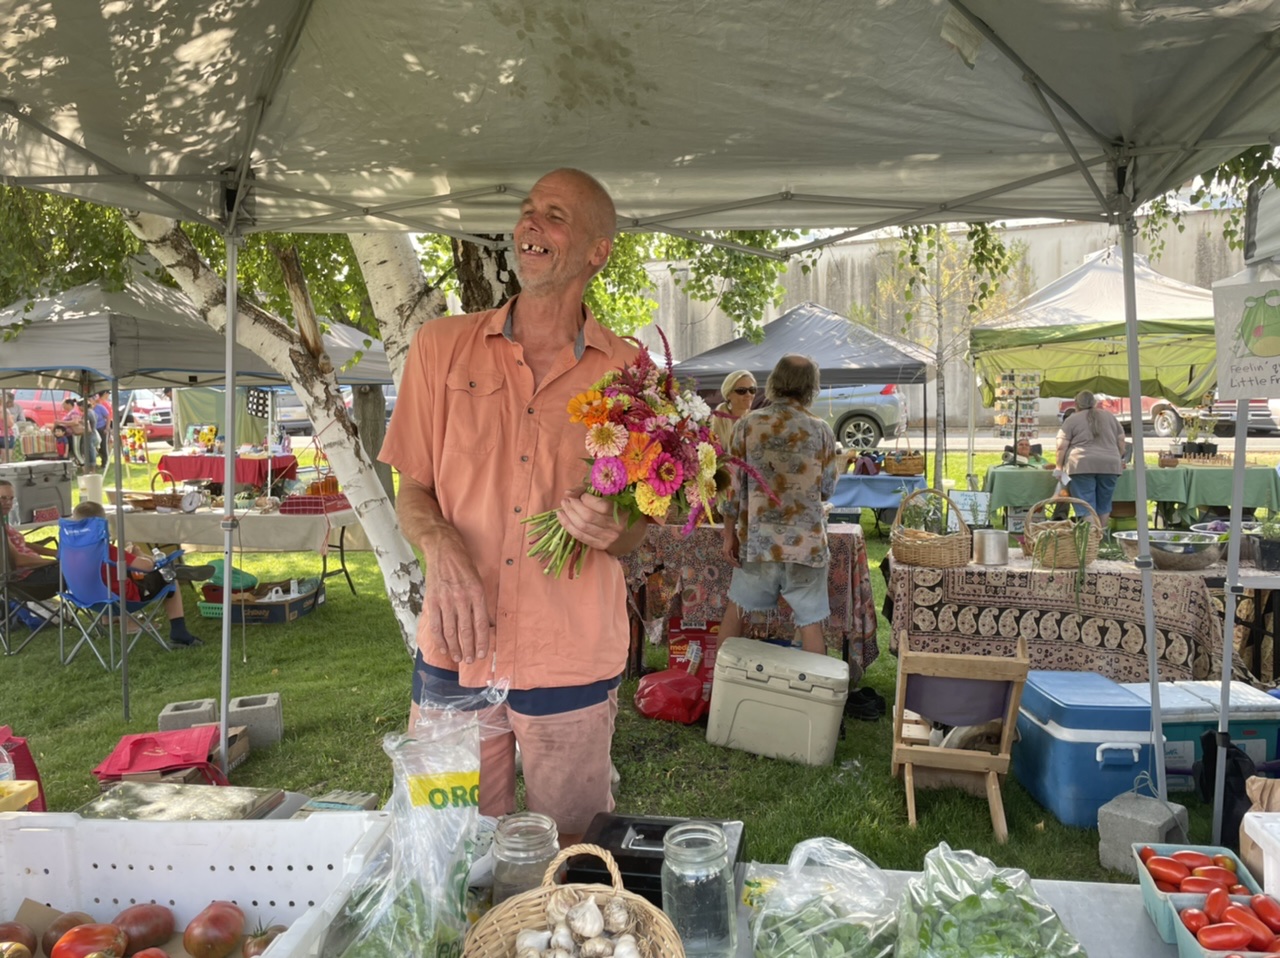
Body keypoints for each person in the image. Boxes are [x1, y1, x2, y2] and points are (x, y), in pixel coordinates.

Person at [380, 168, 647, 845]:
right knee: (447, 852)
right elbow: (412, 486)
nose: (529, 225)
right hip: (456, 647)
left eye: (554, 215)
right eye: (527, 210)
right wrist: (441, 548)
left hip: (569, 655)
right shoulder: (441, 348)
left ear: (596, 251)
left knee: (573, 859)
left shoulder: (631, 373)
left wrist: (613, 528)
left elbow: (640, 528)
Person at [719, 354, 838, 654]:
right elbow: (826, 490)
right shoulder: (821, 429)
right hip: (805, 544)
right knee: (810, 621)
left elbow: (732, 489)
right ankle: (815, 698)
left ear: (773, 383)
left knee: (737, 611)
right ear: (811, 387)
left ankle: (718, 688)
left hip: (759, 543)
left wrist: (728, 534)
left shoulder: (747, 425)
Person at [69, 501, 205, 646]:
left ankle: (106, 619)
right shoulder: (108, 550)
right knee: (169, 576)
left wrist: (129, 559)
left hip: (85, 599)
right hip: (119, 600)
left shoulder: (69, 550)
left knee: (117, 572)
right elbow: (146, 567)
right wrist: (139, 555)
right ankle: (179, 632)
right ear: (102, 523)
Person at [1054, 389, 1125, 530]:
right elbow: (1121, 441)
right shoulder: (1110, 417)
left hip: (1081, 464)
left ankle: (1091, 538)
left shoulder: (1072, 419)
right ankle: (1100, 538)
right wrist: (1119, 457)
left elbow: (1061, 446)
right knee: (1104, 504)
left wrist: (1058, 467)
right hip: (1110, 465)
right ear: (1095, 403)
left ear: (1076, 404)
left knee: (1086, 504)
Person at [710, 369, 757, 452]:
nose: (748, 394)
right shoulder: (714, 423)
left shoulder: (759, 421)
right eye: (741, 391)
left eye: (752, 390)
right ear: (728, 395)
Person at [93, 392, 112, 467]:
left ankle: (105, 462)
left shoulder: (100, 407)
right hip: (93, 430)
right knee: (95, 447)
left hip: (102, 428)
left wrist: (107, 428)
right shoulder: (88, 409)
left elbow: (108, 417)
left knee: (103, 446)